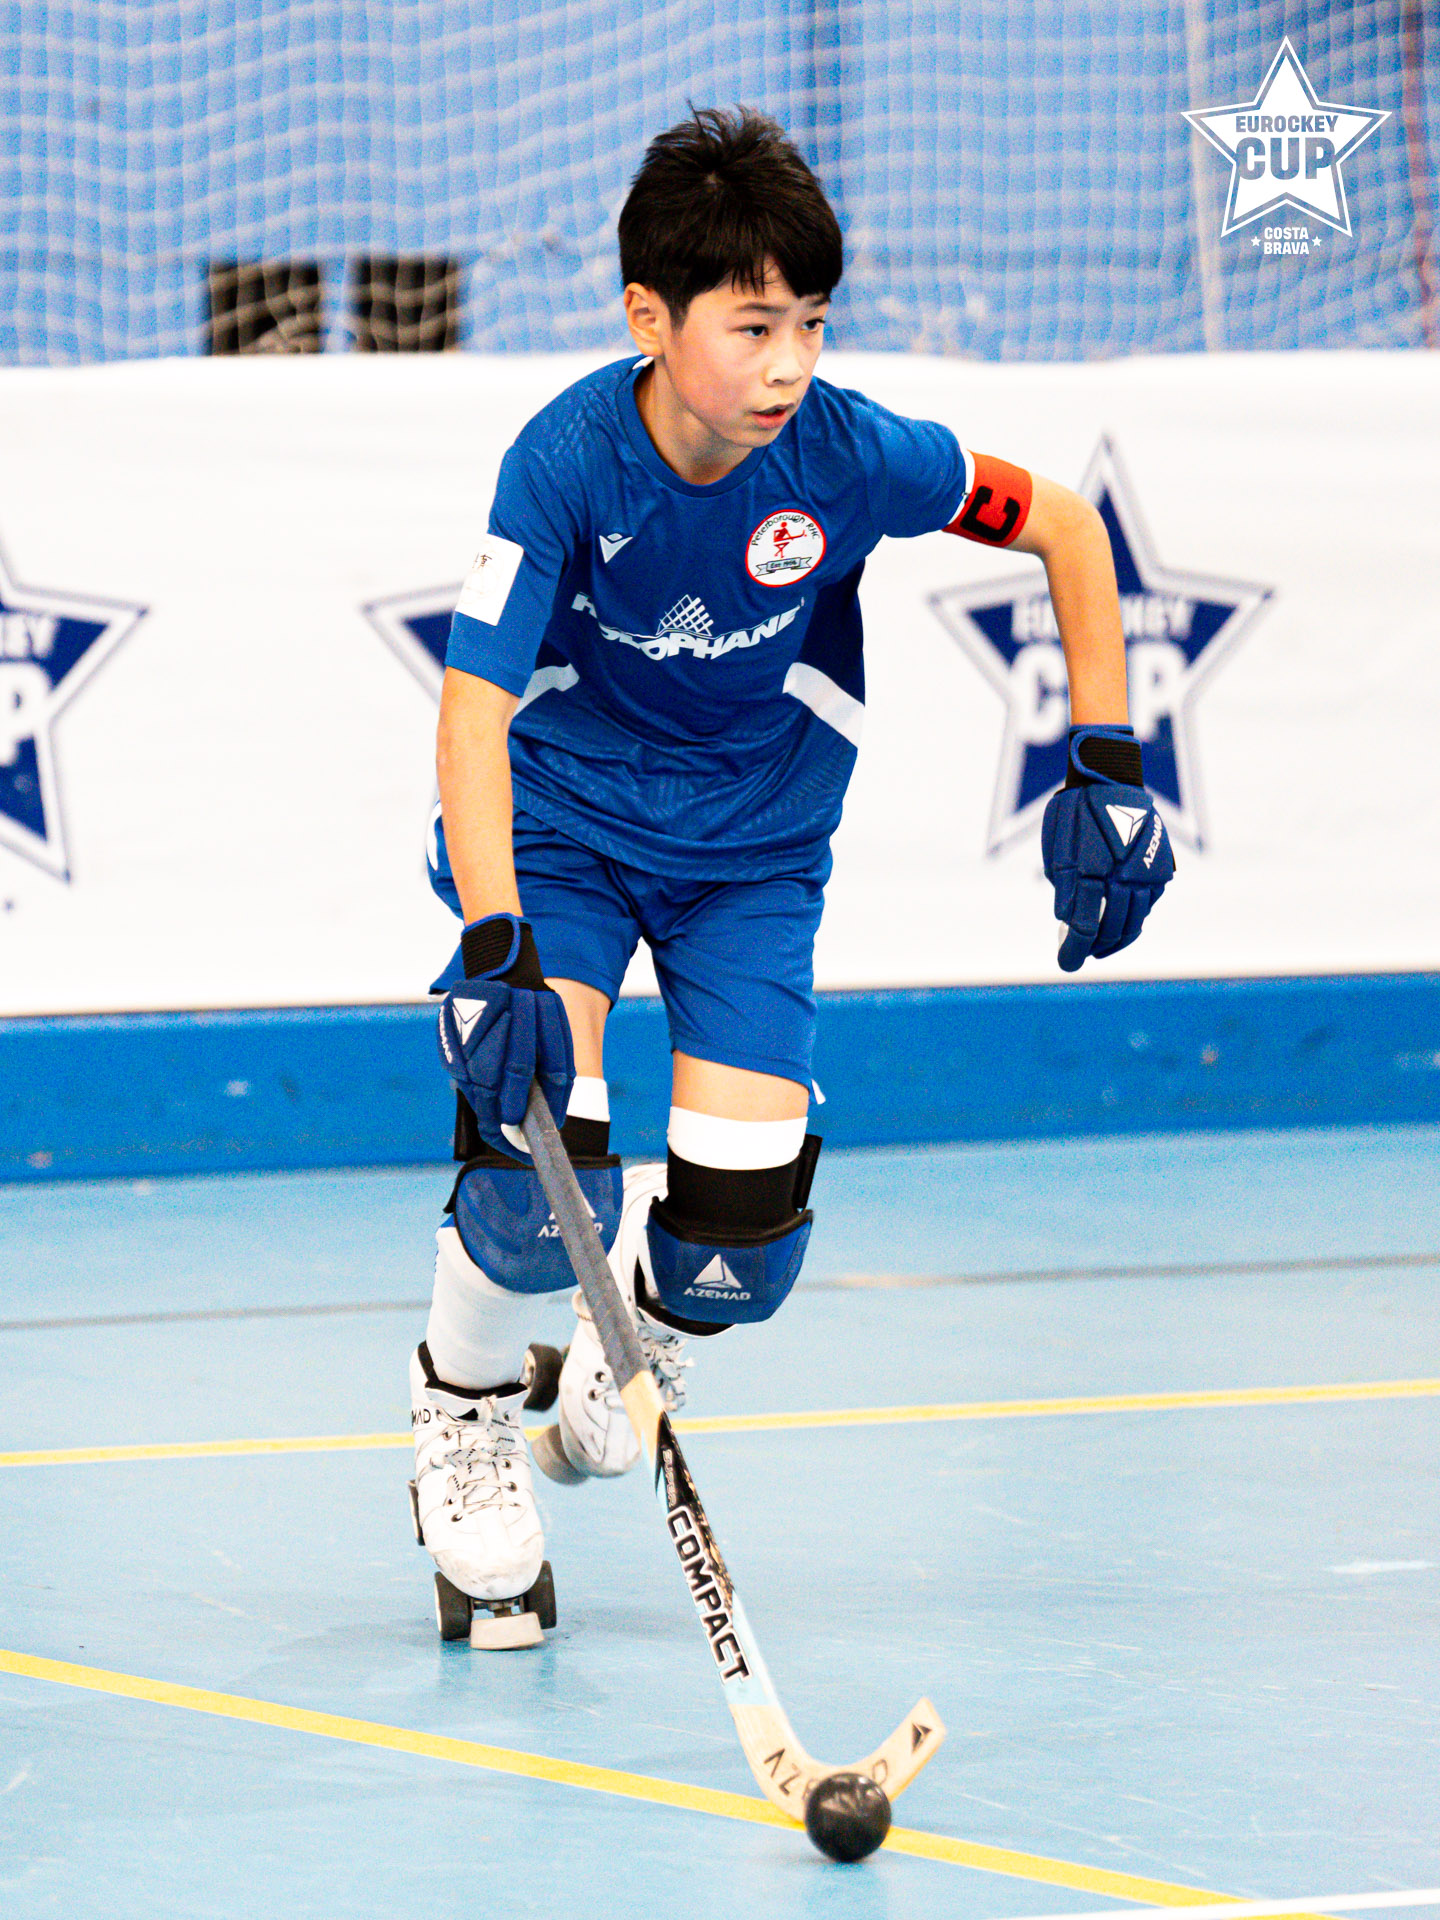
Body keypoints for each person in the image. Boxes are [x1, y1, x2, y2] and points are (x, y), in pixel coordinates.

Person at [409, 107, 1174, 1640]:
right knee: (533, 1177)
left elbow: (1068, 526)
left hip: (750, 858)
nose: (788, 364)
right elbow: (473, 709)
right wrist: (495, 941)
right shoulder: (563, 464)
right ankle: (463, 1415)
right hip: (564, 833)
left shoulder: (850, 453)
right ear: (650, 318)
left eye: (812, 323)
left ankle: (630, 1324)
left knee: (738, 1258)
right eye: (753, 326)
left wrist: (1105, 755)